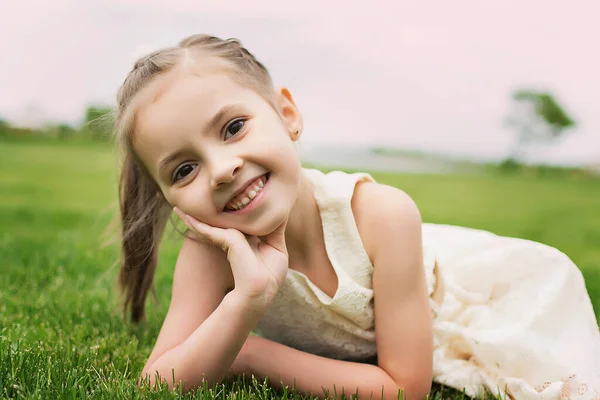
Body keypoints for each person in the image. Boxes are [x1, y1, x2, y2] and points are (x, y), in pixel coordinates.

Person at [113, 34, 600, 399]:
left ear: (288, 114)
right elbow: (158, 384)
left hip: (460, 297)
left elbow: (405, 387)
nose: (221, 170)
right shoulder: (211, 249)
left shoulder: (382, 216)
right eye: (184, 169)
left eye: (234, 127)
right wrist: (247, 302)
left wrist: (250, 353)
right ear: (168, 196)